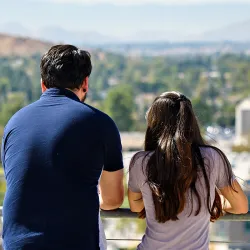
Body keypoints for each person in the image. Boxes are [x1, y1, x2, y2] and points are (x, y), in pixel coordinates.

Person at [1, 45, 124, 250]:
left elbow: (19, 179)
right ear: (85, 82)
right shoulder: (100, 123)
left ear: (43, 84)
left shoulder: (14, 123)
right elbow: (112, 199)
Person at [128, 91, 248, 250]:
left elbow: (136, 207)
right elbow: (240, 207)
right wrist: (211, 202)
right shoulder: (212, 157)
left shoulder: (141, 162)